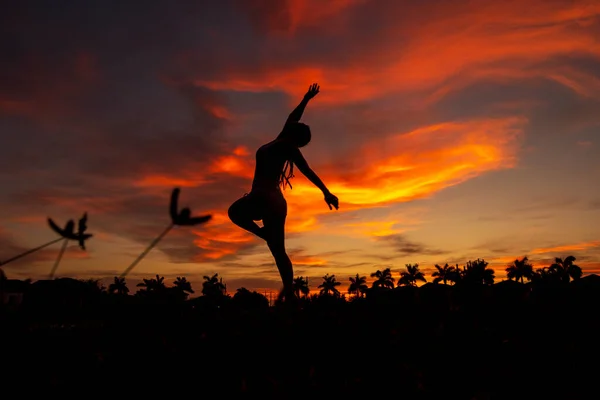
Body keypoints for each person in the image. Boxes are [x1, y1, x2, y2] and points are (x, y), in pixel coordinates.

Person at [228, 83, 339, 303]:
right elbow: (293, 116)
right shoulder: (280, 140)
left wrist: (326, 191)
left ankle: (288, 292)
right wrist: (306, 99)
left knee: (239, 216)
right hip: (271, 199)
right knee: (277, 250)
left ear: (295, 135)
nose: (293, 124)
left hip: (267, 198)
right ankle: (289, 291)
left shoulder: (288, 147)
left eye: (296, 126)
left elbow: (307, 170)